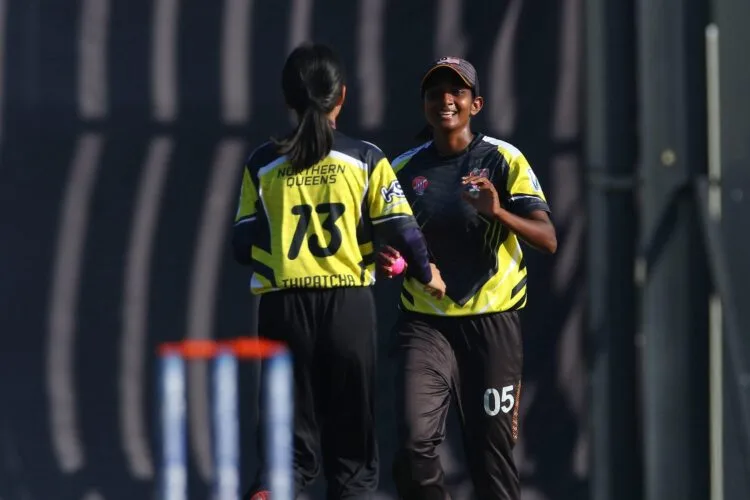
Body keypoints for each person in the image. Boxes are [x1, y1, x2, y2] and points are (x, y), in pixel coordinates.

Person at [232, 43, 446, 500]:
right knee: (352, 454)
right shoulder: (365, 158)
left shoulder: (262, 163)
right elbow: (404, 229)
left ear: (288, 99)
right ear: (342, 96)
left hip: (283, 308)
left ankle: (269, 489)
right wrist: (426, 271)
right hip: (347, 307)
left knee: (286, 449)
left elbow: (242, 246)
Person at [378, 57, 558, 500]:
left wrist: (497, 212)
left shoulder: (502, 158)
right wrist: (389, 258)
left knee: (490, 458)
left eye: (457, 92)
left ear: (475, 104)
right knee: (413, 445)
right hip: (426, 323)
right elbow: (383, 241)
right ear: (424, 104)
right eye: (435, 93)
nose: (446, 100)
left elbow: (547, 239)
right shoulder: (402, 168)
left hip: (492, 326)